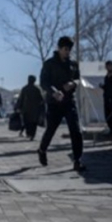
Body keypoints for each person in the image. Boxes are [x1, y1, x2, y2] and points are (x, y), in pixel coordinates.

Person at [37, 36, 86, 171]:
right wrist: (54, 92)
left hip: (69, 101)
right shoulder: (49, 64)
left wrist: (73, 84)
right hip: (54, 103)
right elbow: (44, 82)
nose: (67, 52)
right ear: (59, 48)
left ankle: (77, 160)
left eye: (69, 49)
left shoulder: (73, 64)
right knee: (51, 130)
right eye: (65, 49)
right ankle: (42, 150)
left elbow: (77, 79)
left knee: (76, 131)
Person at [16, 75, 44, 140]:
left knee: (27, 122)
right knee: (33, 123)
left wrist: (18, 107)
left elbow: (21, 99)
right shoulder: (37, 89)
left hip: (26, 109)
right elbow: (41, 99)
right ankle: (32, 135)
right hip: (35, 109)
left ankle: (29, 133)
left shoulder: (24, 88)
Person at [101, 60, 112, 133]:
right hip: (106, 98)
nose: (108, 67)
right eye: (107, 66)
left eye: (110, 66)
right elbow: (107, 87)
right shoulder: (106, 77)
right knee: (107, 115)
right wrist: (103, 86)